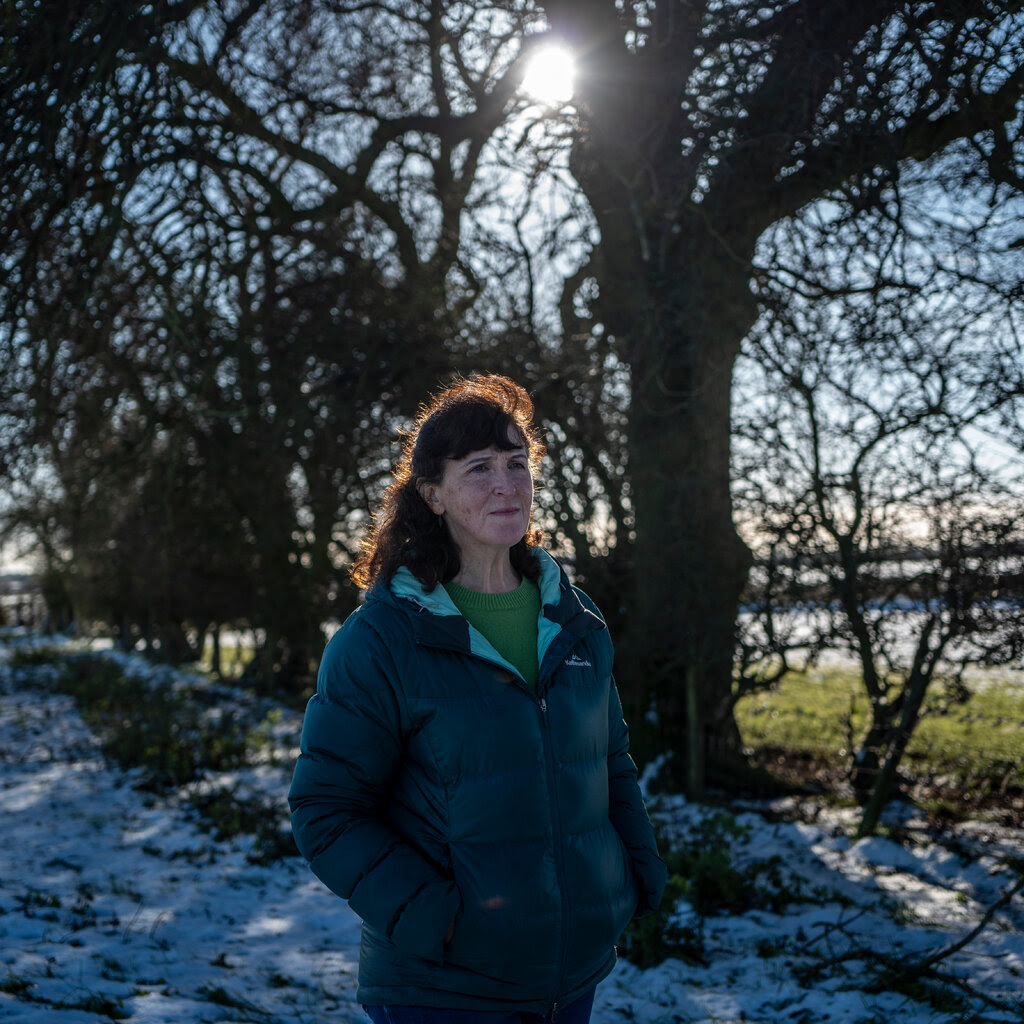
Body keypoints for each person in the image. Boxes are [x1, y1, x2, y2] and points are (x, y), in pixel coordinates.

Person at [288, 374, 667, 1024]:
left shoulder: (576, 622)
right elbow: (326, 811)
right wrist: (435, 918)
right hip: (442, 990)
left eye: (518, 464)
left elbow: (611, 766)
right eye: (480, 468)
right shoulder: (382, 640)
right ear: (432, 495)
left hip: (570, 979)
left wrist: (632, 878)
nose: (507, 484)